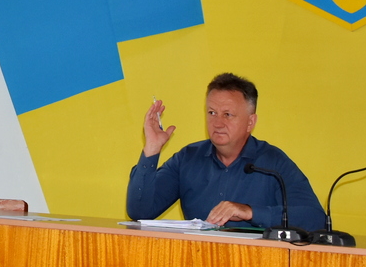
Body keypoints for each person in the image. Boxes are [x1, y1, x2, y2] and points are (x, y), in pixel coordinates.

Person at [126, 73, 325, 230]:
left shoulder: (273, 162)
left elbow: (315, 219)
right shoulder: (188, 158)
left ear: (250, 122)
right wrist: (152, 148)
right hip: (198, 260)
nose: (218, 123)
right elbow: (139, 212)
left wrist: (250, 212)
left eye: (228, 115)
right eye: (212, 113)